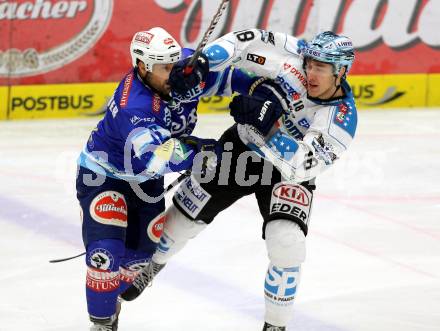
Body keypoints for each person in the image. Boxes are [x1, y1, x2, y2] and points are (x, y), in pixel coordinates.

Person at [122, 29, 358, 331]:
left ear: (341, 71)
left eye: (321, 68)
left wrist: (270, 128)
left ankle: (275, 326)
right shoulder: (293, 54)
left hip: (283, 173)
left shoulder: (341, 118)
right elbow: (245, 41)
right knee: (181, 219)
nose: (310, 72)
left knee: (287, 243)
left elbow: (303, 166)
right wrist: (205, 62)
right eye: (310, 63)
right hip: (241, 148)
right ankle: (152, 265)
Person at [76, 26, 260, 331]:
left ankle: (111, 300)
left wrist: (258, 92)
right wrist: (200, 149)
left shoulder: (184, 70)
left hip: (145, 182)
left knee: (139, 258)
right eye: (164, 67)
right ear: (141, 67)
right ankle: (103, 323)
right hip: (103, 175)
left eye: (174, 64)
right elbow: (156, 156)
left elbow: (227, 78)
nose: (172, 73)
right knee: (105, 254)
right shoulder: (132, 105)